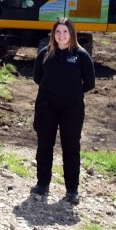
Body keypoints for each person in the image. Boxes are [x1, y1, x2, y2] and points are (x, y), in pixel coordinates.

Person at [31, 17, 95, 205]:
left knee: (71, 148)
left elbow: (89, 83)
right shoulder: (45, 53)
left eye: (65, 32)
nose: (61, 35)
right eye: (57, 32)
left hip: (72, 109)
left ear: (71, 33)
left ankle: (72, 190)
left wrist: (71, 94)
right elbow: (37, 78)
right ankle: (42, 184)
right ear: (53, 34)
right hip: (46, 107)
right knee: (44, 145)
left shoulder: (81, 55)